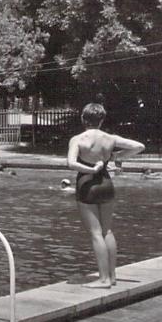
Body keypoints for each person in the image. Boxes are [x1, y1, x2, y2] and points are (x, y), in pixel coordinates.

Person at [66, 103, 145, 288]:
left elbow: (71, 163)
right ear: (101, 120)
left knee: (95, 233)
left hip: (87, 184)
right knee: (106, 231)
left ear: (83, 119)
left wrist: (91, 169)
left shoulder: (78, 139)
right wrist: (118, 157)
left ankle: (103, 279)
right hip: (107, 184)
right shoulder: (110, 138)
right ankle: (112, 276)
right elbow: (139, 146)